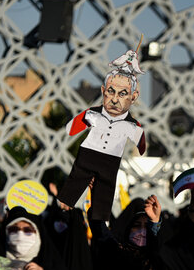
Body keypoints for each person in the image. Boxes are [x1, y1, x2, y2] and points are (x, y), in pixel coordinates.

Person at [57, 50, 146, 221]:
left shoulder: (131, 125)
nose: (114, 99)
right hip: (89, 153)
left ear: (133, 97)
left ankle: (99, 217)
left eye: (122, 94)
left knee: (105, 188)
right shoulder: (94, 114)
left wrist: (140, 140)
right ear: (103, 91)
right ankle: (65, 207)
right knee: (77, 177)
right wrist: (82, 117)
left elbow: (141, 145)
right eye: (111, 92)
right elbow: (71, 129)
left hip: (110, 161)